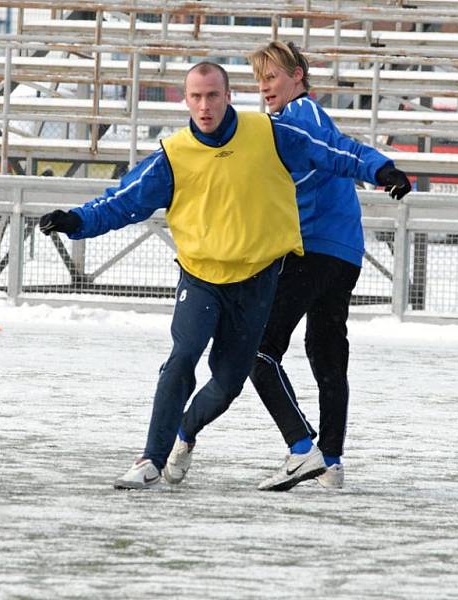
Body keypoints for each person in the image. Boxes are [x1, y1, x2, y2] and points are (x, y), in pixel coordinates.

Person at [39, 61, 409, 491]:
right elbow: (122, 202)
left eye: (212, 95)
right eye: (195, 96)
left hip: (256, 281)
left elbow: (333, 150)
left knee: (229, 383)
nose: (204, 105)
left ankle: (186, 438)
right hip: (200, 278)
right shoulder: (174, 155)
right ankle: (150, 459)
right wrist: (75, 220)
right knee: (183, 354)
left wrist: (381, 170)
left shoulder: (270, 135)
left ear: (228, 95)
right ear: (185, 100)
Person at [166, 42, 411, 492]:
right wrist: (383, 169)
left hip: (309, 251)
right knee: (327, 357)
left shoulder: (298, 116)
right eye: (259, 79)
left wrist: (381, 168)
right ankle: (331, 464)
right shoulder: (283, 123)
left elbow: (340, 148)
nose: (264, 86)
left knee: (258, 351)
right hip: (341, 253)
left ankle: (303, 449)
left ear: (298, 76)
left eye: (273, 76)